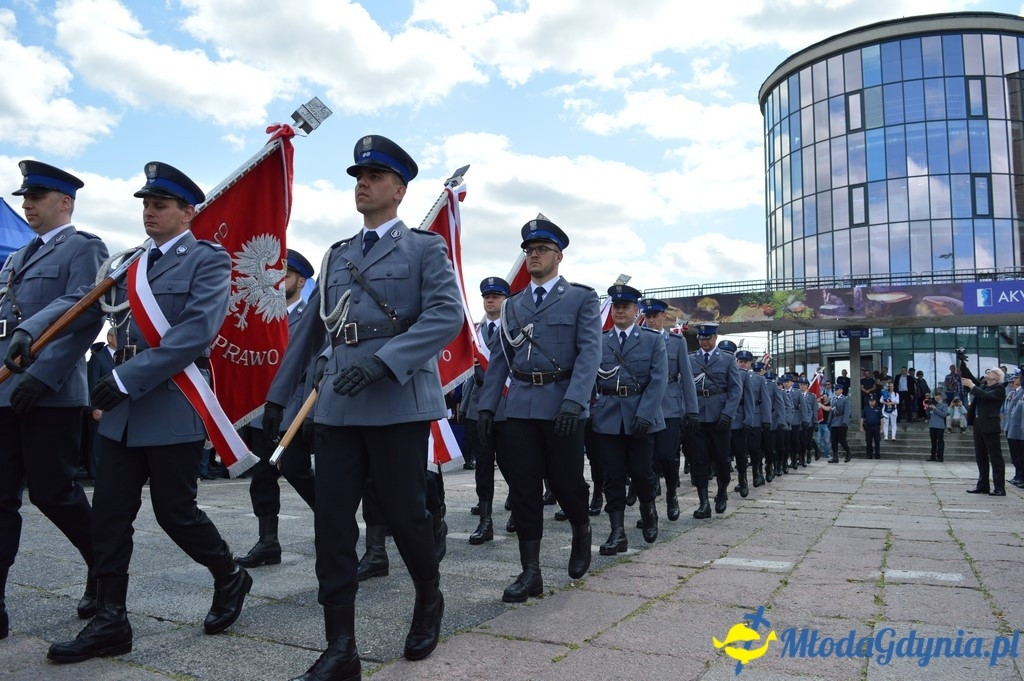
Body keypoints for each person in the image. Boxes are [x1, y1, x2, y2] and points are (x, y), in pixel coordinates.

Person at [8, 162, 252, 663]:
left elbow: (195, 333)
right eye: (146, 205)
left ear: (187, 213)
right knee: (110, 517)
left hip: (171, 402)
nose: (149, 213)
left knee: (175, 512)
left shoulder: (207, 259)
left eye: (160, 205)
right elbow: (82, 306)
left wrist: (123, 379)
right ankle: (110, 621)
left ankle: (229, 573)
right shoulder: (127, 265)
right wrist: (31, 333)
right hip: (123, 411)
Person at [264, 135, 463, 678]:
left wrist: (384, 362)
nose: (363, 184)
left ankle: (428, 595)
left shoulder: (423, 249)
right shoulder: (336, 254)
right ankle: (340, 648)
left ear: (399, 190)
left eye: (375, 177)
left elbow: (446, 315)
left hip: (397, 399)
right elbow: (313, 332)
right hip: (338, 404)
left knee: (404, 514)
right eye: (358, 177)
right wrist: (279, 398)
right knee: (332, 523)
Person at [0, 161, 107, 641]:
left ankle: (103, 568)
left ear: (64, 203)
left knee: (53, 493)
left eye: (37, 197)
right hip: (5, 389)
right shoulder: (15, 259)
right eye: (25, 197)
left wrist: (41, 376)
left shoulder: (83, 247)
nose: (28, 205)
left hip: (52, 392)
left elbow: (85, 314)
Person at [477, 217, 599, 603]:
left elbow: (589, 353)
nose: (534, 255)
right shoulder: (513, 305)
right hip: (520, 406)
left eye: (542, 249)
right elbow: (501, 357)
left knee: (566, 483)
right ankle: (530, 571)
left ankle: (581, 528)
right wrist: (487, 406)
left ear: (558, 256)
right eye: (529, 250)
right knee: (523, 487)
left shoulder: (581, 298)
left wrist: (575, 400)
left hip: (563, 402)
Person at [235, 249, 317, 569]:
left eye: (287, 276)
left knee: (296, 471)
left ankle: (333, 521)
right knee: (262, 477)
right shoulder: (263, 317)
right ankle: (268, 542)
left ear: (301, 281)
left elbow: (312, 370)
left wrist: (307, 415)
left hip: (294, 409)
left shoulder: (310, 317)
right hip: (261, 411)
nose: (279, 282)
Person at [593, 285, 666, 555]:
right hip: (609, 416)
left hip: (640, 415)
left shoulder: (652, 340)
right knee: (612, 476)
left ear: (636, 311)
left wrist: (645, 415)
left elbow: (658, 381)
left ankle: (649, 511)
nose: (620, 311)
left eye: (625, 307)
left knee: (642, 473)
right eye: (616, 306)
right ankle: (617, 532)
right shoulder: (600, 340)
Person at [461, 276, 512, 545]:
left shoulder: (514, 330)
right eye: (487, 297)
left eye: (496, 296)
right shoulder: (474, 332)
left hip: (506, 405)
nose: (490, 300)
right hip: (479, 405)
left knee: (511, 463)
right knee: (482, 465)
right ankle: (485, 520)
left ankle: (518, 507)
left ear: (505, 300)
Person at [640, 298, 697, 521]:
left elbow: (687, 377)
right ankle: (650, 507)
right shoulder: (638, 339)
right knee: (646, 460)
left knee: (667, 456)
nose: (651, 320)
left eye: (655, 316)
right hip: (644, 406)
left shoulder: (676, 342)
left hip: (669, 407)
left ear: (664, 317)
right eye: (648, 316)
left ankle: (672, 493)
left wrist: (692, 410)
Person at [688, 323, 742, 517]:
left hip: (720, 417)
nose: (704, 342)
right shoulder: (690, 359)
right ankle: (704, 503)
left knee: (722, 460)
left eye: (708, 338)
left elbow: (735, 389)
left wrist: (728, 413)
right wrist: (688, 411)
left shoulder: (727, 359)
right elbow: (684, 386)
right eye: (701, 338)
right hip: (697, 417)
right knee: (699, 460)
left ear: (715, 337)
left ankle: (721, 492)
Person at [962, 367, 1007, 496]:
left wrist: (971, 385)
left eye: (991, 372)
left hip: (990, 425)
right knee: (980, 456)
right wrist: (963, 364)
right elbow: (972, 380)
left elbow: (986, 396)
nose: (988, 373)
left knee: (995, 457)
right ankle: (983, 485)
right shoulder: (984, 386)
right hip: (979, 424)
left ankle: (999, 488)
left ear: (996, 377)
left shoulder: (999, 389)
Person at [86, 327, 118, 480]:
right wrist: (95, 407)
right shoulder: (98, 358)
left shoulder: (124, 356)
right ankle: (96, 475)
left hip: (118, 408)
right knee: (97, 443)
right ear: (110, 338)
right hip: (102, 408)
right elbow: (92, 382)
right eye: (118, 336)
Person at [825, 384, 852, 462]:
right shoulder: (833, 399)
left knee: (842, 439)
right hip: (834, 421)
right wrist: (829, 422)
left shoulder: (845, 399)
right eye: (835, 390)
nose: (835, 391)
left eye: (837, 390)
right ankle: (835, 457)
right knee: (834, 440)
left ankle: (848, 452)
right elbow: (831, 411)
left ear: (841, 390)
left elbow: (847, 411)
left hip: (841, 420)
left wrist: (845, 422)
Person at [925, 394, 949, 461]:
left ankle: (940, 457)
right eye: (935, 398)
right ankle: (932, 456)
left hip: (940, 426)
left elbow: (944, 414)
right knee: (933, 441)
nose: (936, 399)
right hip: (932, 425)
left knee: (940, 442)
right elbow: (928, 415)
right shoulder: (932, 404)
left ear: (941, 398)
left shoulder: (944, 405)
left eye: (937, 398)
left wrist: (935, 409)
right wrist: (928, 408)